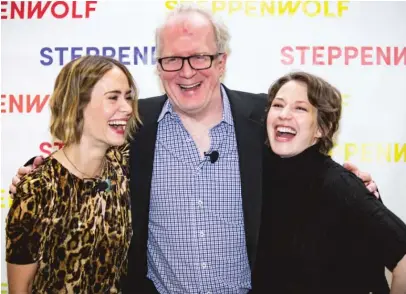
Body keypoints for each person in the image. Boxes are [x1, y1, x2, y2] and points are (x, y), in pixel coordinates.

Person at [8, 4, 379, 294]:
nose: (186, 72)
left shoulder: (264, 118)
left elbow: (308, 168)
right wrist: (35, 175)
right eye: (172, 59)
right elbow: (81, 161)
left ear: (221, 62)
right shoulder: (135, 124)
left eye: (200, 57)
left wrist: (352, 189)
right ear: (159, 66)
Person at [252, 71, 406, 293]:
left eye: (300, 108)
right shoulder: (258, 177)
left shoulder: (340, 185)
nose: (284, 115)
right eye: (278, 105)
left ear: (321, 128)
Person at [6, 55, 140, 293]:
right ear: (77, 104)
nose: (128, 108)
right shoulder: (39, 187)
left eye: (128, 97)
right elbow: (20, 287)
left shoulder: (125, 164)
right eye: (113, 98)